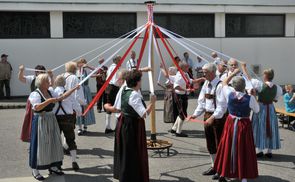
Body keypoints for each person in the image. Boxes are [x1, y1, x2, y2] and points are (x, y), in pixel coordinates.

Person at [105, 70, 156, 182]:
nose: (141, 82)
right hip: (132, 125)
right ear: (137, 82)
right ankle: (132, 177)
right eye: (140, 80)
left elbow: (119, 107)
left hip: (124, 123)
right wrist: (152, 103)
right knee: (133, 151)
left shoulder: (124, 90)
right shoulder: (134, 95)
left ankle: (127, 175)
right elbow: (144, 114)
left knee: (127, 151)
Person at [28, 73, 79, 181]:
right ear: (41, 83)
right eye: (47, 81)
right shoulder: (35, 94)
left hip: (51, 120)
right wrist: (49, 101)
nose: (50, 82)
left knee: (53, 143)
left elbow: (62, 97)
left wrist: (74, 89)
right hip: (41, 120)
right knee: (39, 145)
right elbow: (36, 108)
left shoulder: (50, 92)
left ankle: (53, 166)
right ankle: (35, 169)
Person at [213, 69, 259, 182]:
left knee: (227, 146)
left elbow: (224, 82)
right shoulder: (250, 98)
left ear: (233, 86)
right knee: (244, 148)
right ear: (244, 86)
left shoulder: (229, 93)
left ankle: (224, 173)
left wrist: (233, 73)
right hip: (244, 124)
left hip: (231, 123)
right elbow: (257, 110)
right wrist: (253, 96)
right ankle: (243, 176)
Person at [188, 63, 227, 179]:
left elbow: (222, 107)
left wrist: (213, 117)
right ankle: (214, 166)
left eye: (205, 72)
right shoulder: (206, 83)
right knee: (210, 144)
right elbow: (202, 102)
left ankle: (222, 170)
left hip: (218, 118)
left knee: (219, 144)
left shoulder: (220, 86)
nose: (203, 74)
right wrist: (195, 114)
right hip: (207, 116)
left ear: (212, 72)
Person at [242, 64, 282, 158]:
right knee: (270, 127)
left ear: (266, 76)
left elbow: (248, 79)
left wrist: (243, 68)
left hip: (261, 108)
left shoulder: (259, 84)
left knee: (259, 127)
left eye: (264, 75)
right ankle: (269, 151)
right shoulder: (278, 88)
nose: (263, 76)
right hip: (271, 108)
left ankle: (259, 150)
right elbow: (275, 100)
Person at [53, 75, 80, 171]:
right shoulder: (70, 93)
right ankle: (74, 161)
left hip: (56, 119)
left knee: (56, 141)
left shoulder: (53, 92)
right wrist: (80, 113)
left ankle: (58, 163)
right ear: (65, 83)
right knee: (71, 140)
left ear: (55, 83)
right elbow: (76, 106)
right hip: (68, 119)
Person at [170, 62, 204, 137]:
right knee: (183, 114)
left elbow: (190, 81)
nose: (188, 68)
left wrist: (200, 79)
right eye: (186, 67)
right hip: (179, 96)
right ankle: (178, 132)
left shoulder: (185, 74)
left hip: (183, 95)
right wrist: (186, 90)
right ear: (182, 68)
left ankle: (174, 128)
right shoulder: (179, 76)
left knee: (181, 113)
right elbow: (176, 86)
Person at [18, 64, 46, 142]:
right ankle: (30, 136)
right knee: (30, 118)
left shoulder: (46, 78)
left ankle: (42, 136)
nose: (39, 73)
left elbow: (51, 85)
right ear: (35, 72)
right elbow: (21, 78)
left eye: (41, 72)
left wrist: (51, 75)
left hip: (44, 101)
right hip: (33, 101)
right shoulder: (32, 78)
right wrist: (21, 71)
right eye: (37, 72)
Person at [63, 61, 86, 136]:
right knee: (69, 126)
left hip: (62, 104)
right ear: (74, 69)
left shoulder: (62, 76)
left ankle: (65, 144)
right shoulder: (75, 78)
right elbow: (78, 94)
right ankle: (68, 144)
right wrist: (83, 103)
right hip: (71, 105)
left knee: (64, 125)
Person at [76, 59, 96, 135]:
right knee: (79, 107)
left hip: (86, 90)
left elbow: (96, 71)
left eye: (84, 63)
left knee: (86, 107)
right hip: (79, 90)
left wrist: (88, 66)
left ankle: (85, 126)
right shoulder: (76, 72)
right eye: (81, 63)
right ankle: (79, 127)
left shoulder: (86, 71)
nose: (82, 65)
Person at [105, 55, 122, 134]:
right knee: (116, 106)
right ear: (116, 60)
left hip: (108, 87)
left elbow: (107, 77)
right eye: (120, 59)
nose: (121, 61)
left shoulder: (110, 67)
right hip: (114, 88)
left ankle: (107, 127)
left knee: (109, 106)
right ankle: (116, 127)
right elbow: (116, 81)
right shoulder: (116, 68)